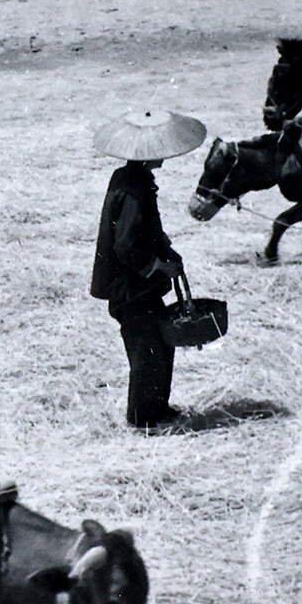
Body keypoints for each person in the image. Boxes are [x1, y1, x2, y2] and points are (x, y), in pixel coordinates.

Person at [89, 107, 206, 431]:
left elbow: (144, 232)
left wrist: (167, 251)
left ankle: (158, 409)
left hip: (138, 286)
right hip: (131, 288)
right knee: (146, 354)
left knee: (159, 346)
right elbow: (126, 245)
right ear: (148, 154)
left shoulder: (131, 178)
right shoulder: (135, 189)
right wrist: (159, 266)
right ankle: (142, 421)